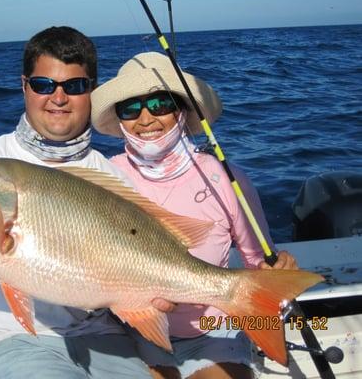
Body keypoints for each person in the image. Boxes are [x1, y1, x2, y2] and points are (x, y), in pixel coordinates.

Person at [0, 27, 155, 378]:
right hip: (7, 336)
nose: (58, 97)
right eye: (43, 85)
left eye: (75, 86)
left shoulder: (108, 175)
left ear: (92, 92)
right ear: (24, 86)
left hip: (101, 333)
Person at [90, 51, 298, 379]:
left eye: (160, 104)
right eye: (130, 108)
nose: (145, 118)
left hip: (214, 330)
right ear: (119, 119)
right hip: (133, 332)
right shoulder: (103, 176)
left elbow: (256, 262)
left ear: (183, 111)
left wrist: (277, 271)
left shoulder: (226, 177)